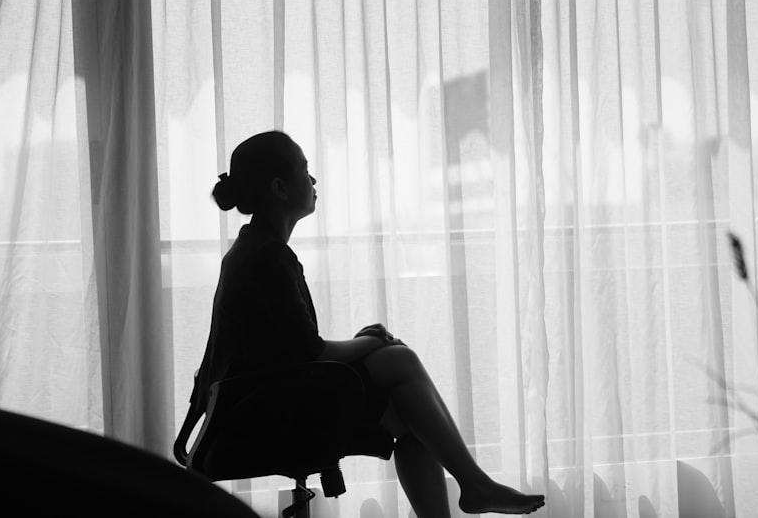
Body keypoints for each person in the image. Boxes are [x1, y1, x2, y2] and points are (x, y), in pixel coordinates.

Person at [197, 130, 545, 517]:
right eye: (304, 170)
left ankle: (474, 486)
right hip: (259, 414)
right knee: (399, 360)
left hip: (263, 400)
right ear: (280, 187)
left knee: (412, 424)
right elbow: (309, 352)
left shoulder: (256, 248)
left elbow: (294, 350)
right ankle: (476, 485)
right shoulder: (267, 257)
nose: (312, 181)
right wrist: (371, 341)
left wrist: (369, 341)